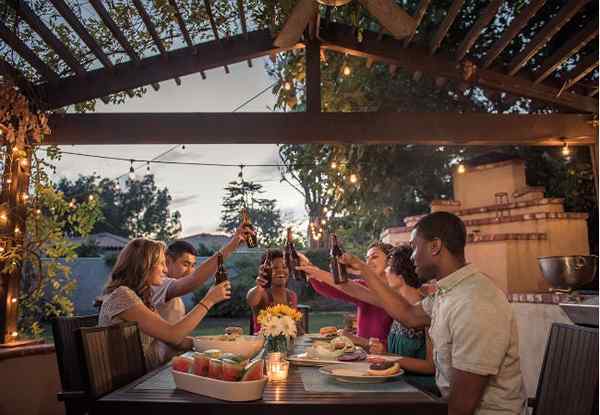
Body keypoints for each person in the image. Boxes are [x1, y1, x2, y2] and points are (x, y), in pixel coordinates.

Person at [340, 212, 526, 415]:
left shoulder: (475, 303)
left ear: (435, 246)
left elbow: (461, 407)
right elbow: (409, 315)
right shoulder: (450, 292)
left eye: (414, 247)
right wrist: (362, 268)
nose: (411, 257)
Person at [299, 245, 436, 391]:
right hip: (392, 377)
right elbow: (353, 289)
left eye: (388, 267)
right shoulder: (396, 304)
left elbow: (431, 366)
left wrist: (384, 355)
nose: (385, 271)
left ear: (400, 274)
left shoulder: (425, 308)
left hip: (416, 386)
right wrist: (314, 271)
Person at [98, 238, 231, 370]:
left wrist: (215, 344)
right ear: (145, 264)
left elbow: (175, 340)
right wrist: (209, 300)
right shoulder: (122, 295)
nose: (165, 270)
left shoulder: (141, 297)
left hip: (143, 376)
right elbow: (173, 335)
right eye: (161, 263)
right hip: (129, 384)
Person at [299, 242, 394, 348]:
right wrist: (309, 269)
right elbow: (330, 287)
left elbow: (398, 342)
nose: (368, 262)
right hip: (362, 354)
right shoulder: (364, 286)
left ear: (390, 261)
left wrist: (358, 340)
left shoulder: (398, 294)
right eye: (367, 258)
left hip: (387, 356)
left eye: (374, 257)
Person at [246, 249, 298, 333]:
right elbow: (251, 300)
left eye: (284, 267)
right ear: (265, 270)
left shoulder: (292, 296)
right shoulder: (262, 293)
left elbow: (294, 325)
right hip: (263, 344)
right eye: (274, 268)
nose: (280, 270)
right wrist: (259, 286)